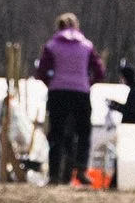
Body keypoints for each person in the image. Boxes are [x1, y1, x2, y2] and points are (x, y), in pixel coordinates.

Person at [35, 12, 103, 187]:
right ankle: (81, 169)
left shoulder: (52, 46)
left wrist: (51, 82)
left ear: (58, 27)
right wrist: (87, 82)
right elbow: (100, 71)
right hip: (81, 92)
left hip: (58, 92)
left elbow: (41, 71)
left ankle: (55, 174)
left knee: (56, 133)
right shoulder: (87, 46)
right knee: (83, 132)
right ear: (77, 26)